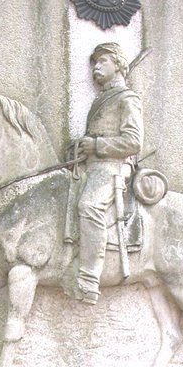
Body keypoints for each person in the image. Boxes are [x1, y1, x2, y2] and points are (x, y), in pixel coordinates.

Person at [74, 43, 144, 303]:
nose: (96, 67)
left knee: (90, 205)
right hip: (91, 166)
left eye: (102, 61)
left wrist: (98, 146)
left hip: (112, 168)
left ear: (118, 64)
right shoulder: (102, 99)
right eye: (93, 63)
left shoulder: (127, 99)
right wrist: (82, 147)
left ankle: (90, 278)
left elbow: (133, 141)